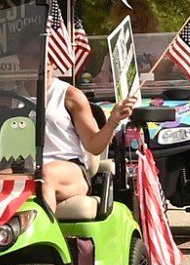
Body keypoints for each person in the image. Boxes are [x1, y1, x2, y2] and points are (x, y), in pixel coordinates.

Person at [41, 66, 134, 210]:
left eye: (38, 56)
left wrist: (112, 122)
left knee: (44, 175)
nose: (39, 63)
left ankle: (43, 232)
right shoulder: (11, 97)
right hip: (25, 168)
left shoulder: (70, 95)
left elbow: (93, 145)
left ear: (53, 62)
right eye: (29, 55)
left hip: (69, 169)